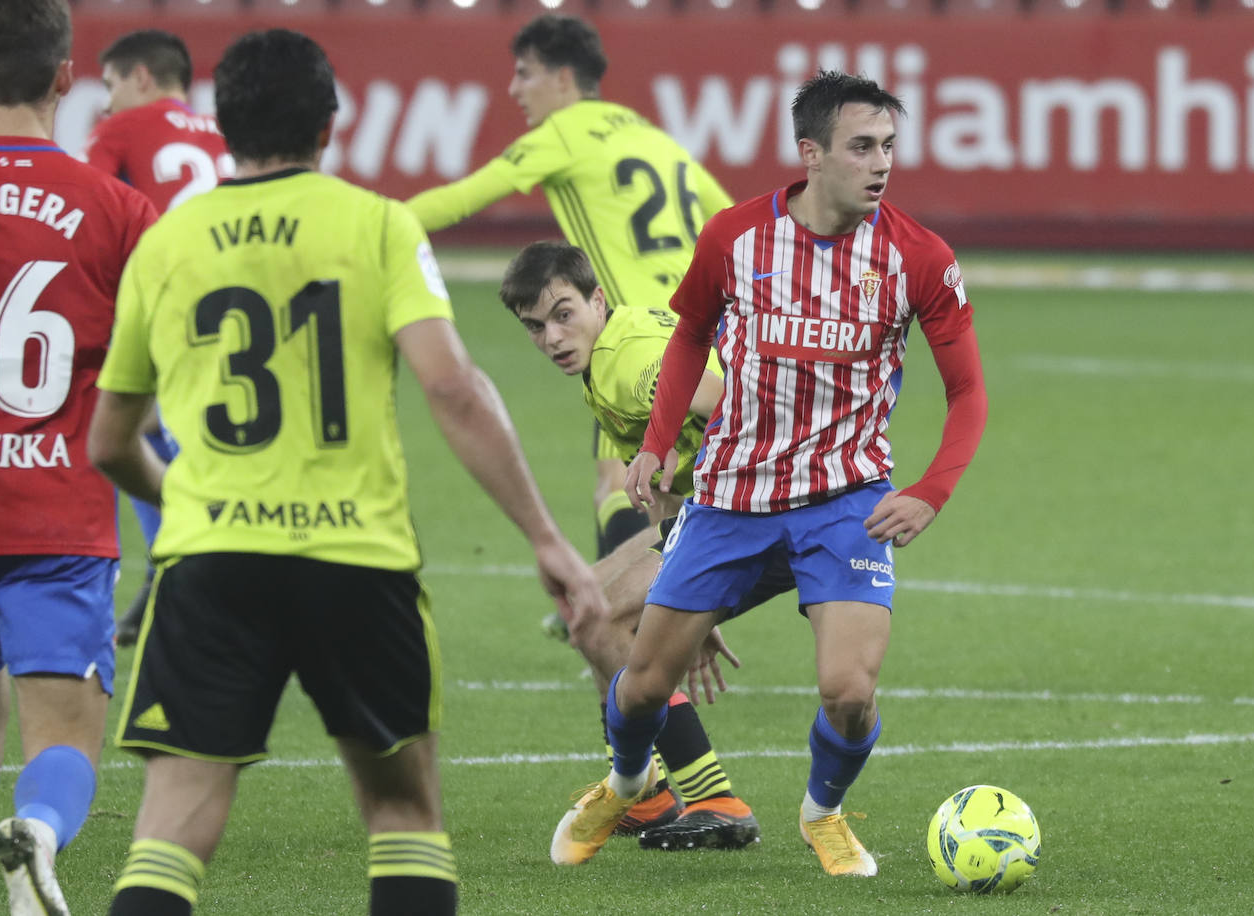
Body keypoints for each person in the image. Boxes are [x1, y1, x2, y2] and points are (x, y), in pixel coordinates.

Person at [87, 30, 605, 916]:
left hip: (211, 563)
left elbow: (108, 441)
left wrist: (188, 499)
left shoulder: (168, 243)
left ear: (224, 126)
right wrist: (547, 536)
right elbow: (454, 388)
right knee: (403, 814)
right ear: (331, 124)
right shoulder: (376, 224)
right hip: (357, 562)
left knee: (168, 833)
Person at [549, 72, 989, 876]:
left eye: (889, 146)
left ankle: (823, 813)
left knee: (849, 691)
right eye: (862, 147)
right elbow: (688, 337)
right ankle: (624, 780)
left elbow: (968, 393)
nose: (881, 163)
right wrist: (652, 444)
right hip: (730, 499)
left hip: (845, 501)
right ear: (811, 153)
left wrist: (931, 490)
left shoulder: (920, 258)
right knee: (644, 685)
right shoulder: (735, 238)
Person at [0, 1, 158, 914]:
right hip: (57, 506)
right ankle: (43, 835)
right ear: (68, 77)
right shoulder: (118, 209)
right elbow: (155, 375)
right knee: (64, 735)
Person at [500, 241, 802, 852]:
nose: (552, 337)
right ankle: (656, 794)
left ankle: (709, 799)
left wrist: (706, 572)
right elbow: (668, 478)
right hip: (727, 512)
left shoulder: (623, 362)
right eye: (535, 326)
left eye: (564, 314)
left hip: (774, 510)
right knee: (590, 602)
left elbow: (720, 399)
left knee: (600, 617)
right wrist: (689, 595)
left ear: (596, 299)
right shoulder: (610, 349)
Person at [407, 14, 734, 564]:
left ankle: (621, 623)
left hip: (631, 341)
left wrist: (367, 228)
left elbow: (464, 197)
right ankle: (635, 614)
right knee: (661, 482)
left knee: (622, 486)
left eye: (524, 74)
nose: (514, 89)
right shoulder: (650, 134)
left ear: (562, 79)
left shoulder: (562, 133)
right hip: (699, 328)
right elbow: (728, 219)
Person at [84, 28, 235, 647]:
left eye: (113, 83)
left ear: (142, 76)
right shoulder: (223, 131)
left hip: (168, 298)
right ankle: (189, 559)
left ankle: (174, 560)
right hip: (239, 298)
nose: (108, 100)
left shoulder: (124, 130)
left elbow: (87, 205)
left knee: (124, 424)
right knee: (171, 428)